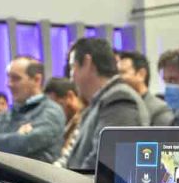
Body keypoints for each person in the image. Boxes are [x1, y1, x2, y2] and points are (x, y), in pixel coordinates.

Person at [63, 36, 148, 171]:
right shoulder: (100, 102)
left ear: (87, 62)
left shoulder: (119, 99)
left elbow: (101, 162)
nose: (71, 77)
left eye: (73, 67)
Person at [0, 56, 65, 162]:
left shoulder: (51, 111)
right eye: (8, 77)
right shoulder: (9, 113)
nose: (9, 84)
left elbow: (24, 144)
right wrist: (16, 136)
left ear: (37, 80)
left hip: (36, 172)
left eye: (16, 78)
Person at [117, 50, 174, 126]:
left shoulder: (159, 111)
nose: (117, 78)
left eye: (122, 72)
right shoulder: (119, 108)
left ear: (141, 74)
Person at [45, 78, 83, 163]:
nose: (53, 113)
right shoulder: (68, 123)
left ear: (70, 96)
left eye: (56, 106)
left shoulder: (83, 121)